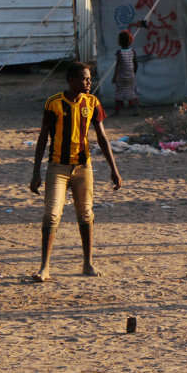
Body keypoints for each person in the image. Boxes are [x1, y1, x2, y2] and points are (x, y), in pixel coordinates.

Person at [29, 62, 122, 282]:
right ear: (71, 80)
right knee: (52, 214)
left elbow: (102, 138)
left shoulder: (92, 102)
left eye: (89, 78)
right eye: (84, 78)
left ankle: (88, 263)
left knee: (86, 214)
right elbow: (43, 139)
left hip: (83, 168)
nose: (88, 82)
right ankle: (44, 267)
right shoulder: (54, 103)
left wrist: (114, 169)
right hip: (57, 168)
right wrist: (36, 172)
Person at [112, 30, 139, 115]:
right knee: (132, 93)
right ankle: (136, 110)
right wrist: (133, 73)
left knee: (118, 93)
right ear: (130, 41)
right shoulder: (133, 51)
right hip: (130, 76)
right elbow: (136, 64)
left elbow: (117, 66)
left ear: (119, 41)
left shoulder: (119, 52)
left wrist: (114, 77)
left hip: (121, 77)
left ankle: (117, 111)